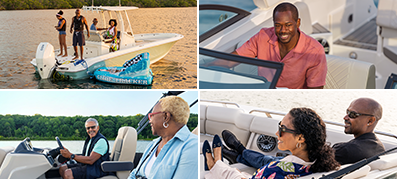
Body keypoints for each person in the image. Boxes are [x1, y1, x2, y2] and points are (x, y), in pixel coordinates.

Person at [222, 97, 385, 168]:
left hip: (297, 168)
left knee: (268, 160)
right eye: (347, 112)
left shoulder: (347, 150)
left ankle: (239, 152)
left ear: (370, 121)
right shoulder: (379, 148)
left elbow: (306, 160)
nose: (345, 117)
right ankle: (238, 153)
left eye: (352, 115)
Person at [206, 2, 327, 89]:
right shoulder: (263, 36)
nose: (283, 30)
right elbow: (230, 61)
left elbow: (315, 90)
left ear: (298, 23)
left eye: (288, 24)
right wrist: (205, 66)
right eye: (278, 25)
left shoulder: (315, 51)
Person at [203, 108, 340, 178]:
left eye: (282, 129)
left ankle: (215, 162)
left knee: (225, 170)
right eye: (279, 126)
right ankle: (237, 152)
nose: (277, 133)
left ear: (300, 138)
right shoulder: (319, 164)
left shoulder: (277, 169)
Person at [128, 96, 198, 179]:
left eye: (152, 115)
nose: (150, 121)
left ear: (166, 117)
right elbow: (134, 174)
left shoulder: (192, 146)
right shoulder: (152, 144)